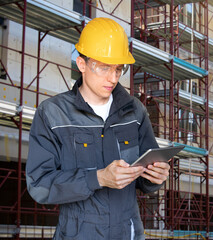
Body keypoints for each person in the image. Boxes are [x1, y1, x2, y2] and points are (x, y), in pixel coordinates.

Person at [26, 17, 170, 240]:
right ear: (81, 64)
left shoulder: (135, 112)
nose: (113, 78)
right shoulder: (52, 114)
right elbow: (40, 185)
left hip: (128, 233)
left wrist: (155, 177)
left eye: (118, 69)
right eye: (104, 67)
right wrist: (98, 179)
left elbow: (144, 179)